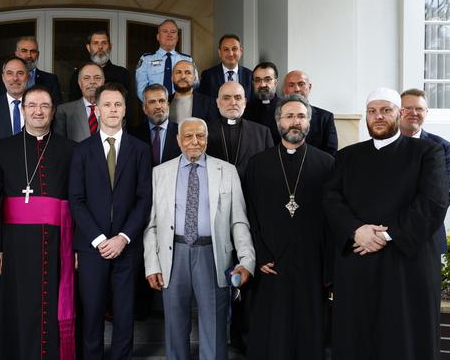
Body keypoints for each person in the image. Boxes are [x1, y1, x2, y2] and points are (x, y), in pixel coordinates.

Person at [323, 87, 449, 360]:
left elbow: (433, 203)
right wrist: (357, 230)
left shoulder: (428, 152)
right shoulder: (347, 157)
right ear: (366, 117)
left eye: (386, 110)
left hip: (407, 263)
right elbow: (331, 200)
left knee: (405, 338)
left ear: (400, 114)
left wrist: (385, 235)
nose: (378, 116)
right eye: (372, 111)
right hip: (359, 262)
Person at [143, 117, 255, 360]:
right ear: (178, 140)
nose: (194, 141)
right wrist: (152, 264)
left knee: (214, 324)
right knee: (174, 325)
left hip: (212, 255)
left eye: (200, 136)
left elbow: (239, 221)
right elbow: (151, 225)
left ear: (207, 138)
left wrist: (246, 260)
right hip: (174, 255)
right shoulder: (159, 173)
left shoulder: (227, 171)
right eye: (188, 136)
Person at [0, 85, 76, 359]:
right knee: (17, 307)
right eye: (32, 105)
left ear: (53, 112)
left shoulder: (69, 149)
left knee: (51, 306)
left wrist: (75, 248)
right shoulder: (3, 148)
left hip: (57, 243)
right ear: (23, 109)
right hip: (14, 245)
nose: (38, 111)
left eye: (45, 106)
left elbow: (77, 201)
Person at [245, 94, 334, 360]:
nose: (295, 122)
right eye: (289, 116)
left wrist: (328, 268)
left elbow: (333, 220)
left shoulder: (327, 164)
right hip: (271, 264)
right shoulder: (258, 164)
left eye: (301, 116)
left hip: (311, 265)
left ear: (309, 122)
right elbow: (249, 213)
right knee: (273, 334)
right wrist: (259, 254)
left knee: (310, 332)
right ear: (278, 122)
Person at [69, 82, 152, 359]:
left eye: (118, 104)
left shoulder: (140, 150)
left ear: (125, 109)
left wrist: (123, 237)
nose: (113, 109)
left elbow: (144, 199)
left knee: (124, 313)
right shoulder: (81, 151)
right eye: (107, 104)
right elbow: (76, 200)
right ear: (97, 109)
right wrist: (100, 239)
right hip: (92, 247)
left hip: (127, 248)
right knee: (91, 313)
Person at [400, 88, 450, 253]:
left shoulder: (442, 147)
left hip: (428, 233)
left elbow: (444, 193)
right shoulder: (380, 145)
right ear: (398, 111)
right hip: (387, 234)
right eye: (407, 108)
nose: (413, 112)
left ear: (426, 112)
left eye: (419, 108)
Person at [206, 81, 273, 180]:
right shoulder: (204, 131)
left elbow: (270, 169)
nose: (233, 103)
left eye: (238, 98)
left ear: (245, 102)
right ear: (218, 103)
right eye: (226, 98)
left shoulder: (263, 133)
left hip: (251, 192)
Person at [135, 19, 193, 101]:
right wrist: (152, 105)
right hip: (155, 109)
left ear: (177, 38)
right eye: (165, 31)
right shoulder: (146, 59)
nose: (169, 35)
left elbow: (194, 85)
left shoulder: (187, 59)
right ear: (158, 37)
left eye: (173, 32)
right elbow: (141, 88)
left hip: (182, 107)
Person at [282, 70, 338, 155]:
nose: (297, 89)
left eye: (301, 84)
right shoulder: (277, 116)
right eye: (291, 85)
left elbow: (331, 153)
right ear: (284, 89)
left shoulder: (325, 117)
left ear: (309, 87)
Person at [68, 30, 131, 101]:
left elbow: (128, 106)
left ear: (110, 47)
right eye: (95, 43)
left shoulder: (123, 74)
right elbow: (73, 106)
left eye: (104, 43)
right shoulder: (78, 74)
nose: (100, 47)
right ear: (88, 48)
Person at [54, 62, 105, 142]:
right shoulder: (64, 111)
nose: (92, 82)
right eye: (86, 78)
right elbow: (60, 145)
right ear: (80, 83)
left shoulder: (114, 110)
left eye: (97, 78)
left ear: (103, 82)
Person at [132, 83, 181, 166]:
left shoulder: (181, 132)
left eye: (162, 101)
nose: (158, 106)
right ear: (144, 109)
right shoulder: (134, 135)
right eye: (152, 102)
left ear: (168, 106)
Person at [199, 34, 254, 100]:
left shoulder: (250, 75)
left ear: (241, 52)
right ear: (219, 53)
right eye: (226, 49)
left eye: (234, 49)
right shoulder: (208, 76)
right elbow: (203, 102)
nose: (230, 54)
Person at [15, 36, 63, 105]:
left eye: (33, 51)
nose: (29, 55)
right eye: (24, 51)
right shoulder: (5, 80)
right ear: (16, 54)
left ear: (38, 54)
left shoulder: (51, 80)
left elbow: (56, 108)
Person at [243, 62, 281, 144]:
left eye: (267, 79)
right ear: (253, 83)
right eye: (257, 80)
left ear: (276, 82)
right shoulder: (245, 110)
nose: (262, 84)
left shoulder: (286, 108)